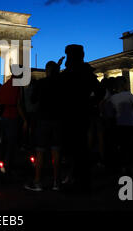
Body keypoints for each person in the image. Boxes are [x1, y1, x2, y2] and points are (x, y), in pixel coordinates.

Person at [59, 44, 101, 193]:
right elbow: (100, 91)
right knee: (80, 149)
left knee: (74, 150)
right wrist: (90, 103)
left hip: (70, 115)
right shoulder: (86, 71)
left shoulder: (70, 72)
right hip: (81, 114)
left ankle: (79, 182)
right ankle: (82, 181)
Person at [25, 59, 63, 192]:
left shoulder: (41, 83)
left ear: (47, 70)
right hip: (58, 120)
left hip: (43, 120)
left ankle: (37, 181)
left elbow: (33, 99)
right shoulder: (61, 83)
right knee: (56, 151)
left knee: (40, 151)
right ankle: (56, 182)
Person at [0, 64, 27, 175]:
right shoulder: (18, 85)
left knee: (4, 142)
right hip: (13, 117)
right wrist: (25, 120)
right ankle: (9, 166)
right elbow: (18, 104)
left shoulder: (5, 85)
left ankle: (1, 163)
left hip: (3, 117)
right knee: (11, 143)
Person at [109, 76, 133, 175]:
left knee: (122, 146)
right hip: (131, 123)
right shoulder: (128, 94)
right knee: (131, 146)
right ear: (123, 85)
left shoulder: (112, 97)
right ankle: (131, 167)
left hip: (119, 124)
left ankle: (123, 167)